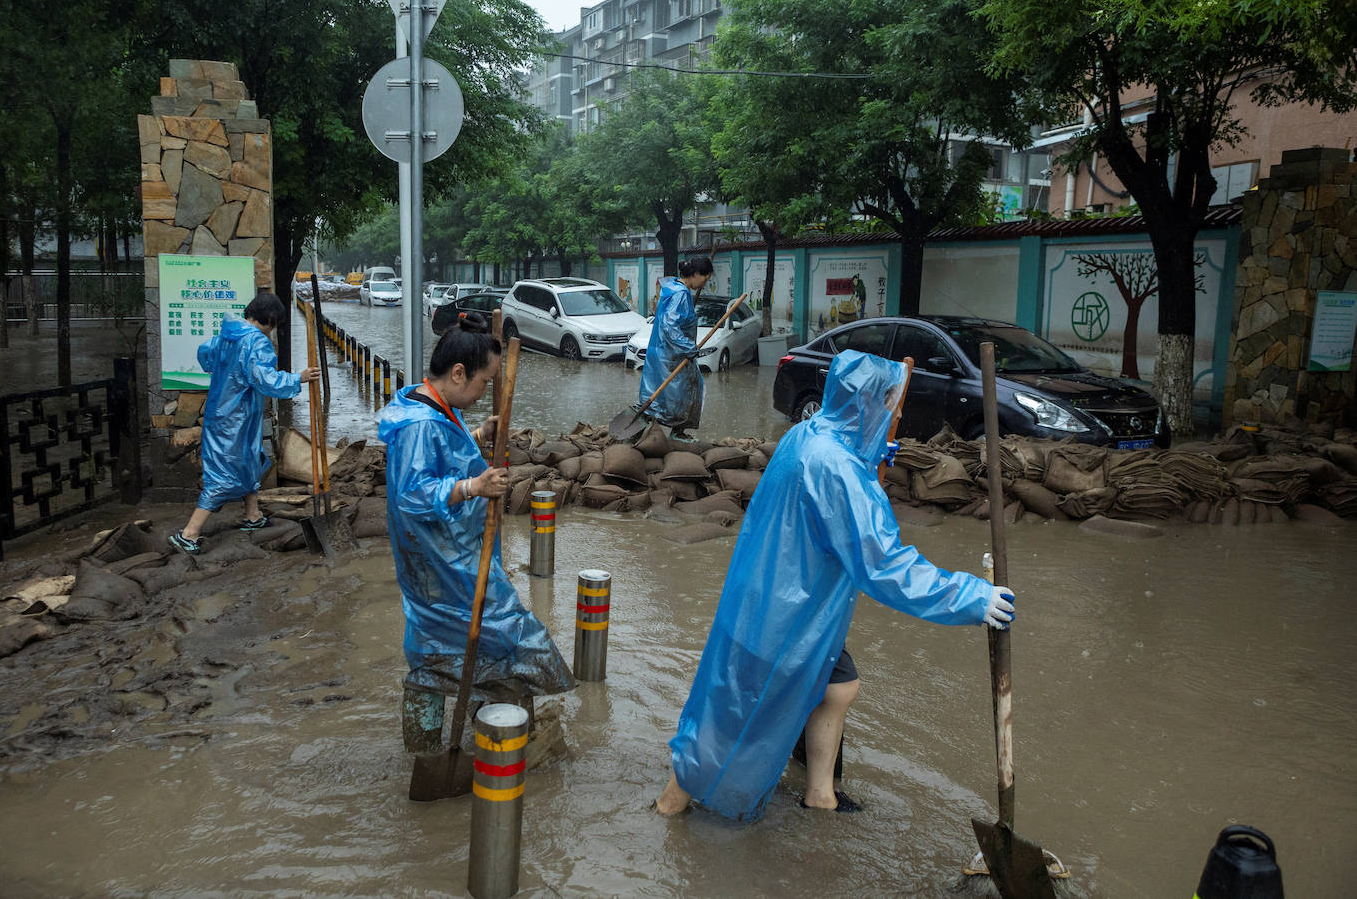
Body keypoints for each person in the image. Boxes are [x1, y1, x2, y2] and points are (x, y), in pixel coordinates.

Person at [655, 350, 1015, 820]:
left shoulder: (808, 434)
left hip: (778, 599)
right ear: (868, 405)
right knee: (729, 712)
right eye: (891, 404)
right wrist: (971, 597)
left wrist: (868, 459)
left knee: (839, 686)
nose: (896, 415)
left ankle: (820, 793)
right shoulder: (839, 468)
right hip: (785, 615)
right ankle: (671, 803)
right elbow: (885, 565)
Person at [377, 316, 574, 730]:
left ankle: (480, 719)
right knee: (507, 630)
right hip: (441, 559)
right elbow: (412, 495)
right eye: (485, 382)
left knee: (459, 636)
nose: (486, 391)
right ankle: (502, 728)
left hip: (450, 549)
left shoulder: (433, 405)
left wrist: (479, 435)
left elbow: (444, 454)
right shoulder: (420, 424)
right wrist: (474, 486)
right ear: (458, 373)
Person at [169, 292, 319, 555]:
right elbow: (264, 379)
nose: (274, 329)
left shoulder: (227, 335)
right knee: (224, 474)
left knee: (249, 461)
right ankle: (189, 533)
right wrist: (299, 378)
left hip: (223, 413)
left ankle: (252, 514)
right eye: (276, 323)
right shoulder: (256, 342)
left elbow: (205, 354)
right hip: (235, 419)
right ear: (270, 318)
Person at [638, 256, 712, 441]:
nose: (704, 284)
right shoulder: (680, 294)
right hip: (673, 355)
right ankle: (677, 431)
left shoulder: (671, 287)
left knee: (659, 393)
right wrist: (688, 347)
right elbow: (670, 325)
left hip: (662, 352)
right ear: (696, 274)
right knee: (687, 390)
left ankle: (645, 427)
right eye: (705, 279)